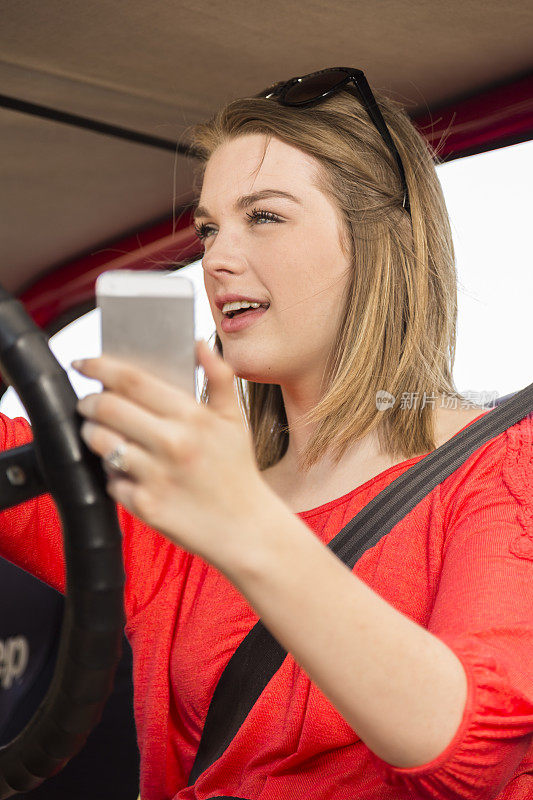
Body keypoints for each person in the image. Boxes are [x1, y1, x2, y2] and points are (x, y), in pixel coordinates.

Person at [0, 67, 532, 799]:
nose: (214, 258)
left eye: (265, 217)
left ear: (382, 242)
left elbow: (466, 753)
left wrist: (241, 519)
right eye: (210, 228)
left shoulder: (504, 468)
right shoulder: (178, 485)